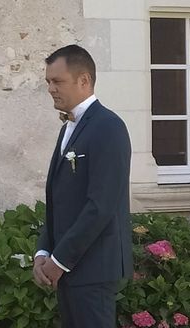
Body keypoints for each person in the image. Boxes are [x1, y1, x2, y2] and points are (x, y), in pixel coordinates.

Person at [33, 44, 133, 328]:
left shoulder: (108, 127)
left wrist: (59, 260)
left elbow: (100, 206)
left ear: (84, 80)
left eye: (58, 81)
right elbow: (58, 201)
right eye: (48, 82)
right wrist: (43, 253)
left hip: (93, 268)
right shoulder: (68, 128)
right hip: (68, 268)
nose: (51, 88)